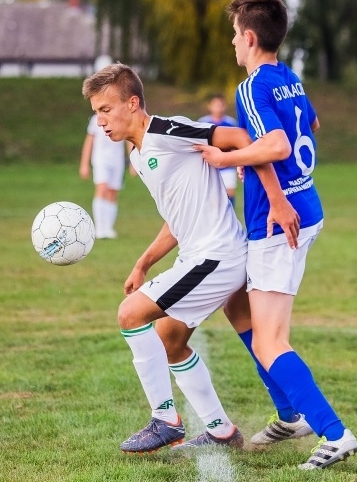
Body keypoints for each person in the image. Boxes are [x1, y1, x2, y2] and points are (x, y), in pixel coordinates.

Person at [81, 63, 299, 454]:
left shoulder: (166, 130)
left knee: (130, 314)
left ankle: (165, 419)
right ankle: (221, 431)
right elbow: (176, 220)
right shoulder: (137, 155)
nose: (100, 121)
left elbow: (238, 136)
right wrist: (143, 262)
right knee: (170, 340)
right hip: (200, 255)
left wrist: (251, 172)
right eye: (96, 113)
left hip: (218, 255)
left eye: (106, 110)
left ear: (132, 104)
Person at [195, 0, 357, 470]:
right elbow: (311, 123)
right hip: (304, 207)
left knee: (271, 341)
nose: (232, 44)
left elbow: (276, 143)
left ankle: (335, 433)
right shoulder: (290, 78)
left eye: (233, 36)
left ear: (249, 38)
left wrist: (230, 158)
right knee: (236, 304)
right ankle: (290, 414)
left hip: (277, 220)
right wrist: (269, 167)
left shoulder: (251, 87)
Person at [79, 114, 128, 239]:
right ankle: (99, 228)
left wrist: (134, 161)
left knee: (113, 192)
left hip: (117, 160)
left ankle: (108, 228)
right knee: (102, 189)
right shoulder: (96, 119)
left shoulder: (121, 118)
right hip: (101, 159)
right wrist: (84, 164)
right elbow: (89, 141)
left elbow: (128, 139)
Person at [198, 94, 239, 207]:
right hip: (209, 165)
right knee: (211, 196)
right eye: (215, 105)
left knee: (229, 193)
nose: (218, 108)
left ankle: (231, 217)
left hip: (227, 164)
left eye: (220, 105)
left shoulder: (230, 122)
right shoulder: (202, 122)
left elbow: (236, 142)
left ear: (224, 106)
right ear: (210, 106)